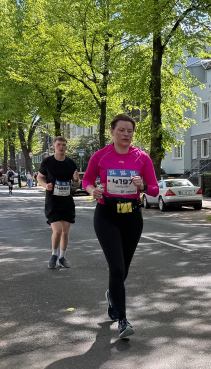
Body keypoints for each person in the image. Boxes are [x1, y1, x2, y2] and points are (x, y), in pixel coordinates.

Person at [82, 114, 159, 338]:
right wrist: (92, 191)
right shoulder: (100, 156)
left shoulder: (142, 158)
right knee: (116, 268)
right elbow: (87, 180)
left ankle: (112, 295)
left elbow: (154, 189)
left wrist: (142, 186)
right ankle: (123, 320)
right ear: (112, 131)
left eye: (130, 131)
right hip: (107, 215)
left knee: (122, 270)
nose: (126, 134)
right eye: (121, 130)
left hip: (132, 217)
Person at [38, 137, 79, 269]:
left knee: (65, 232)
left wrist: (76, 180)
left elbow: (76, 185)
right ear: (54, 147)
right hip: (52, 201)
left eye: (63, 145)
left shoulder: (71, 163)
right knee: (57, 231)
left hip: (67, 201)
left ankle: (62, 257)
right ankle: (54, 255)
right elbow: (39, 177)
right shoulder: (47, 162)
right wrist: (46, 185)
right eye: (59, 145)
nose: (61, 147)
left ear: (66, 147)